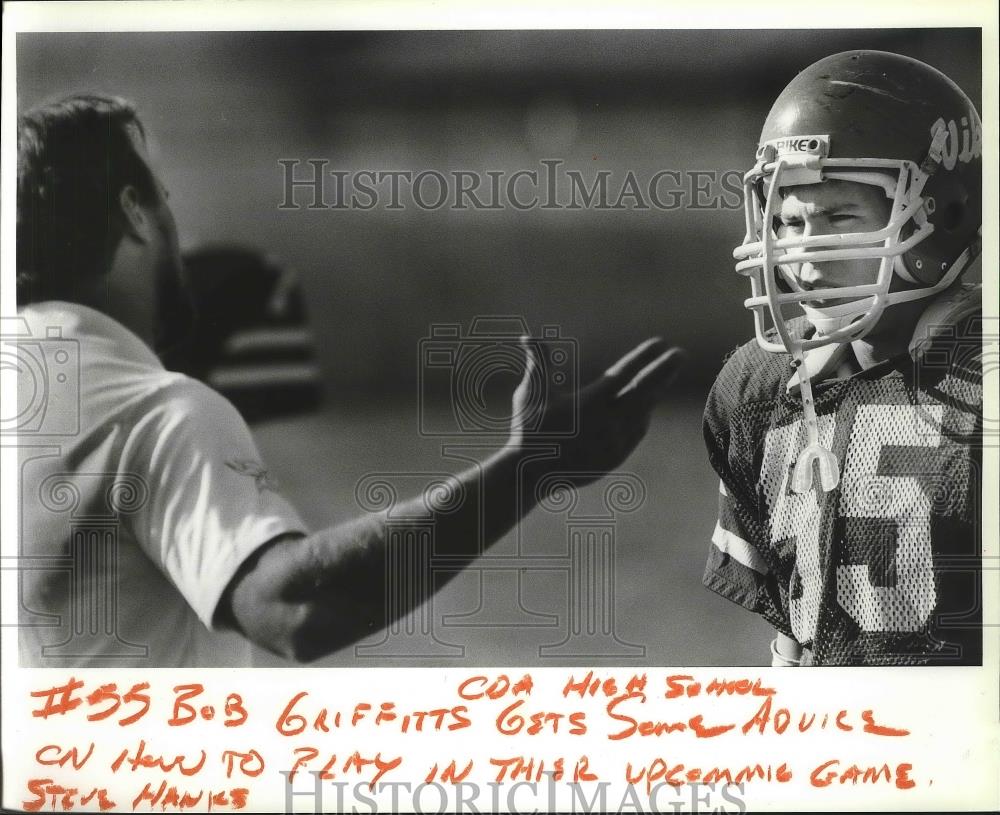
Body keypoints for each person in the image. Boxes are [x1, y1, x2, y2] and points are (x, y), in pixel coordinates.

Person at [13, 94, 684, 667]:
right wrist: (531, 466)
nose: (172, 220)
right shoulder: (156, 414)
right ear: (133, 211)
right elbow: (295, 607)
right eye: (163, 199)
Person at [702, 51, 984, 666]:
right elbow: (792, 637)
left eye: (838, 217)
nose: (805, 258)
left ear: (945, 215)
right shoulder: (755, 389)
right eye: (786, 220)